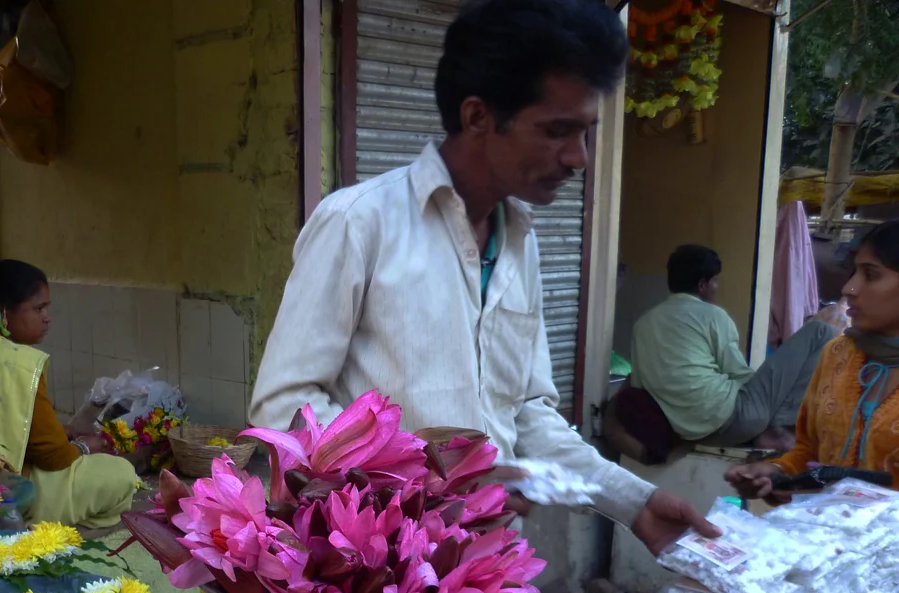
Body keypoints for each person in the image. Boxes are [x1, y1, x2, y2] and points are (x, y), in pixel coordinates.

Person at [247, 0, 717, 554]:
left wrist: (633, 502)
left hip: (485, 572)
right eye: (557, 131)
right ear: (477, 118)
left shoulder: (521, 240)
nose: (579, 158)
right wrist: (430, 484)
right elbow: (284, 406)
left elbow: (526, 413)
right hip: (371, 569)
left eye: (586, 132)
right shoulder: (358, 222)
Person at [0, 259, 137, 528]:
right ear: (3, 311)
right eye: (38, 308)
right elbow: (54, 457)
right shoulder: (13, 360)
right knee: (120, 473)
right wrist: (85, 447)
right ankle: (33, 524)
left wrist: (61, 432)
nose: (47, 317)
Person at [727, 220, 899, 500]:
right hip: (825, 538)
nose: (849, 288)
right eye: (853, 272)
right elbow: (809, 453)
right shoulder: (837, 354)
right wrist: (778, 474)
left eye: (870, 274)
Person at [631, 245, 836, 451]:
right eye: (716, 281)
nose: (717, 288)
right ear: (703, 285)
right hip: (734, 421)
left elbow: (639, 385)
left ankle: (770, 426)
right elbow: (738, 373)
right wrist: (774, 390)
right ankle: (778, 429)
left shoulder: (643, 323)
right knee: (821, 331)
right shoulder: (711, 315)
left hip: (684, 430)